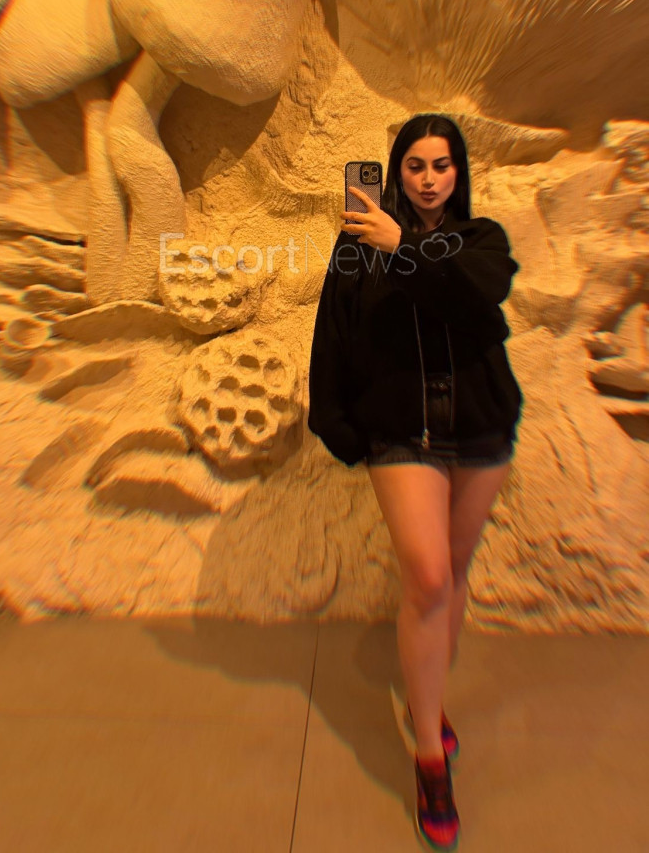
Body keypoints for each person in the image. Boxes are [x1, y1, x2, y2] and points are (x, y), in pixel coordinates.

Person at [307, 113, 523, 852]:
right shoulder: (358, 243)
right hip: (402, 432)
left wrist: (405, 247)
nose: (428, 179)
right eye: (414, 166)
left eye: (441, 165)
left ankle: (427, 702)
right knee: (428, 578)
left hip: (480, 428)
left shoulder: (481, 240)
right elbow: (333, 330)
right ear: (395, 171)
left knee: (454, 574)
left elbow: (476, 296)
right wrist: (335, 421)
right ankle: (430, 759)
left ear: (458, 173)